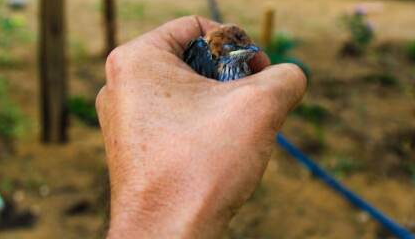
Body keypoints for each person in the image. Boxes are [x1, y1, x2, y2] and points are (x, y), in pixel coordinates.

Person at [96, 16, 307, 238]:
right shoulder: (205, 57)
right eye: (232, 49)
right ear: (219, 51)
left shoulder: (241, 68)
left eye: (245, 49)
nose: (247, 52)